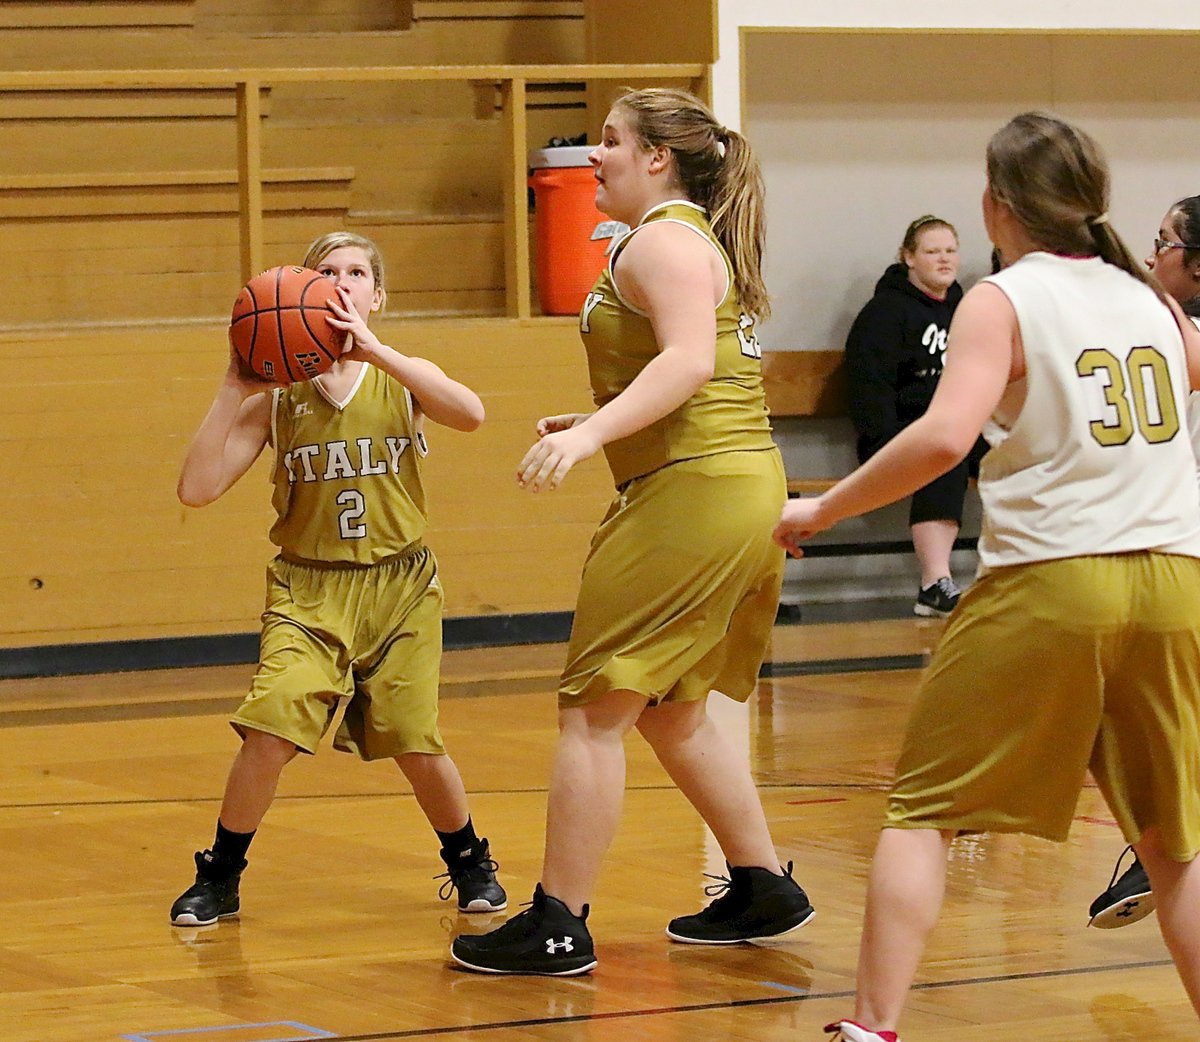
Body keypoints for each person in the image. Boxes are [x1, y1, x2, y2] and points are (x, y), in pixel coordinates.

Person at [774, 113, 1200, 1041]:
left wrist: (821, 508)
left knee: (923, 811)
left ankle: (871, 1029)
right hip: (1174, 579)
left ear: (995, 203)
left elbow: (939, 436)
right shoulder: (1153, 300)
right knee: (1174, 844)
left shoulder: (1001, 299)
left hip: (1056, 578)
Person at [449, 87, 813, 977]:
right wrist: (601, 415)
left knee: (593, 712)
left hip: (696, 491)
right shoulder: (677, 240)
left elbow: (688, 360)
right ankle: (763, 884)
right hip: (721, 480)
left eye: (608, 142)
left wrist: (590, 435)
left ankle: (559, 923)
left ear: (658, 158)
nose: (593, 158)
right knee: (673, 709)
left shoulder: (662, 240)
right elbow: (699, 368)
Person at [168, 231, 506, 927]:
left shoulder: (402, 375)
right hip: (309, 590)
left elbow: (471, 414)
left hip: (401, 586)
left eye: (358, 273)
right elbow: (196, 488)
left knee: (414, 737)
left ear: (376, 297)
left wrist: (380, 352)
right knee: (269, 727)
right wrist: (233, 386)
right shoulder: (280, 396)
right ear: (306, 290)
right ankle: (221, 874)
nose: (344, 283)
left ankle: (469, 858)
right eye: (328, 272)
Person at [1087, 192, 1200, 930]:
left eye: (1164, 242)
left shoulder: (1173, 331)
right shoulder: (1167, 322)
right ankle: (1154, 843)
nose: (1153, 254)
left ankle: (1156, 842)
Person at [844, 216, 982, 618]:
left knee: (1022, 450)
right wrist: (893, 437)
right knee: (943, 449)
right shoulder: (884, 314)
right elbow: (869, 392)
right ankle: (933, 584)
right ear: (909, 257)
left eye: (951, 250)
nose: (944, 259)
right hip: (897, 435)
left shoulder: (967, 309)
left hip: (956, 428)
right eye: (932, 251)